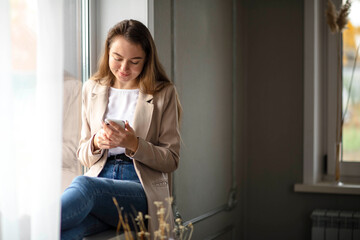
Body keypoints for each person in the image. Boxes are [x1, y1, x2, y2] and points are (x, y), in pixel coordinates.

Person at [60, 19, 182, 240]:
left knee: (84, 185)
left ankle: (30, 226)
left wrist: (134, 144)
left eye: (135, 61)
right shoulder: (92, 88)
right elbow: (82, 155)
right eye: (117, 58)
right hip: (101, 180)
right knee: (63, 233)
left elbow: (171, 159)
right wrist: (97, 143)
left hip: (140, 188)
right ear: (108, 54)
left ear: (146, 61)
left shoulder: (164, 93)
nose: (124, 69)